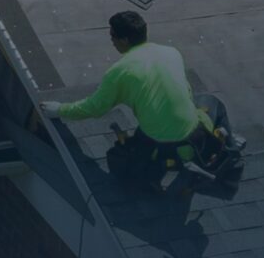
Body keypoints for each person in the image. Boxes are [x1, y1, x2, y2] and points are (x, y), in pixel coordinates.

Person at [40, 11, 210, 155]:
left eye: (112, 36)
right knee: (213, 105)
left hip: (158, 141)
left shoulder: (119, 72)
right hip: (193, 132)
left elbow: (95, 107)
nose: (111, 41)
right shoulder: (172, 53)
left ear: (125, 40)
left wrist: (59, 110)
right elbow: (186, 91)